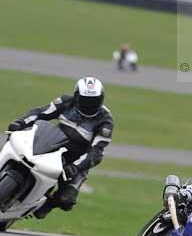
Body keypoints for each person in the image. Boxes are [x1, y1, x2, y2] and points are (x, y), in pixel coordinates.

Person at [7, 77, 114, 219]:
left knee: (66, 200)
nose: (89, 105)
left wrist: (76, 167)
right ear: (76, 96)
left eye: (93, 101)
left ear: (101, 99)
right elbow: (42, 112)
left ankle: (47, 204)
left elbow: (96, 152)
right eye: (85, 100)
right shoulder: (66, 101)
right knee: (18, 150)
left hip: (76, 161)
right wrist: (21, 122)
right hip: (51, 144)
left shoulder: (105, 120)